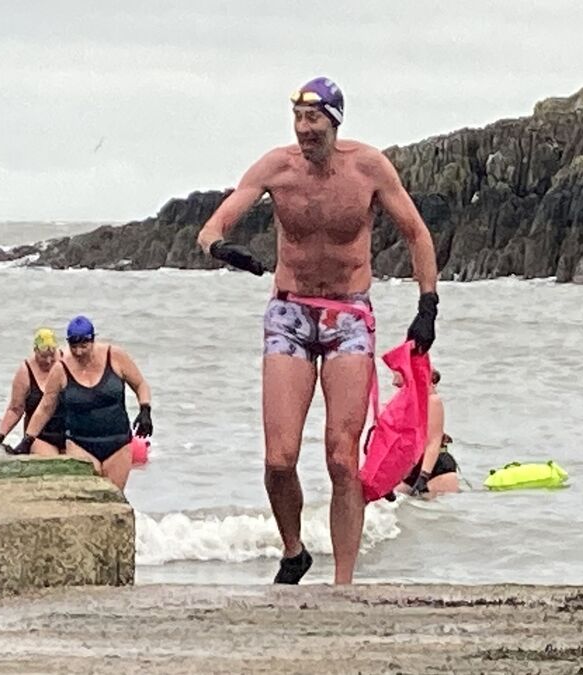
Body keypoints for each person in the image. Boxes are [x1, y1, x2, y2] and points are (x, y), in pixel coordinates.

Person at [195, 77, 440, 585]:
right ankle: (293, 551)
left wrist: (428, 305)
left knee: (342, 458)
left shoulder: (368, 168)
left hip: (348, 315)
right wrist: (222, 249)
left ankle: (343, 584)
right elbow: (212, 228)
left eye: (314, 119)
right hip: (289, 313)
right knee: (279, 458)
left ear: (335, 121)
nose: (304, 129)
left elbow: (417, 233)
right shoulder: (277, 167)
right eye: (298, 119)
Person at [18, 316, 152, 490]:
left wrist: (145, 409)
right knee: (87, 494)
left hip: (118, 443)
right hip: (80, 444)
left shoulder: (115, 356)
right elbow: (45, 407)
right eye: (74, 346)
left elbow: (140, 384)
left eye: (83, 346)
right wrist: (28, 440)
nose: (79, 352)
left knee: (114, 497)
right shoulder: (61, 369)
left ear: (92, 340)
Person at [0, 328, 67, 456]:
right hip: (38, 437)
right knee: (50, 459)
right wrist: (0, 437)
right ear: (35, 351)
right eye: (43, 356)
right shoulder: (25, 371)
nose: (48, 361)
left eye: (52, 356)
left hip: (68, 434)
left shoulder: (68, 362)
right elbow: (15, 409)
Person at [396, 368, 461, 497]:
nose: (394, 383)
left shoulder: (432, 400)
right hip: (412, 467)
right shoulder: (402, 402)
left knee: (431, 507)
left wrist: (424, 476)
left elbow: (434, 441)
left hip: (436, 466)